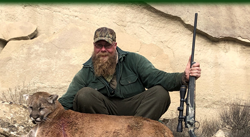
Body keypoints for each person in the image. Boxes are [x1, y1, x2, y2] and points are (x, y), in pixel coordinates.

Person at [58, 27, 201, 121]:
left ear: (115, 45)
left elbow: (158, 78)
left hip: (134, 114)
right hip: (104, 120)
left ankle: (136, 133)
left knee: (160, 93)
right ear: (94, 46)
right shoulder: (86, 72)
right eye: (98, 46)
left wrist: (184, 77)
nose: (103, 49)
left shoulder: (133, 60)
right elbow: (66, 101)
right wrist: (44, 111)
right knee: (84, 95)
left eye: (107, 45)